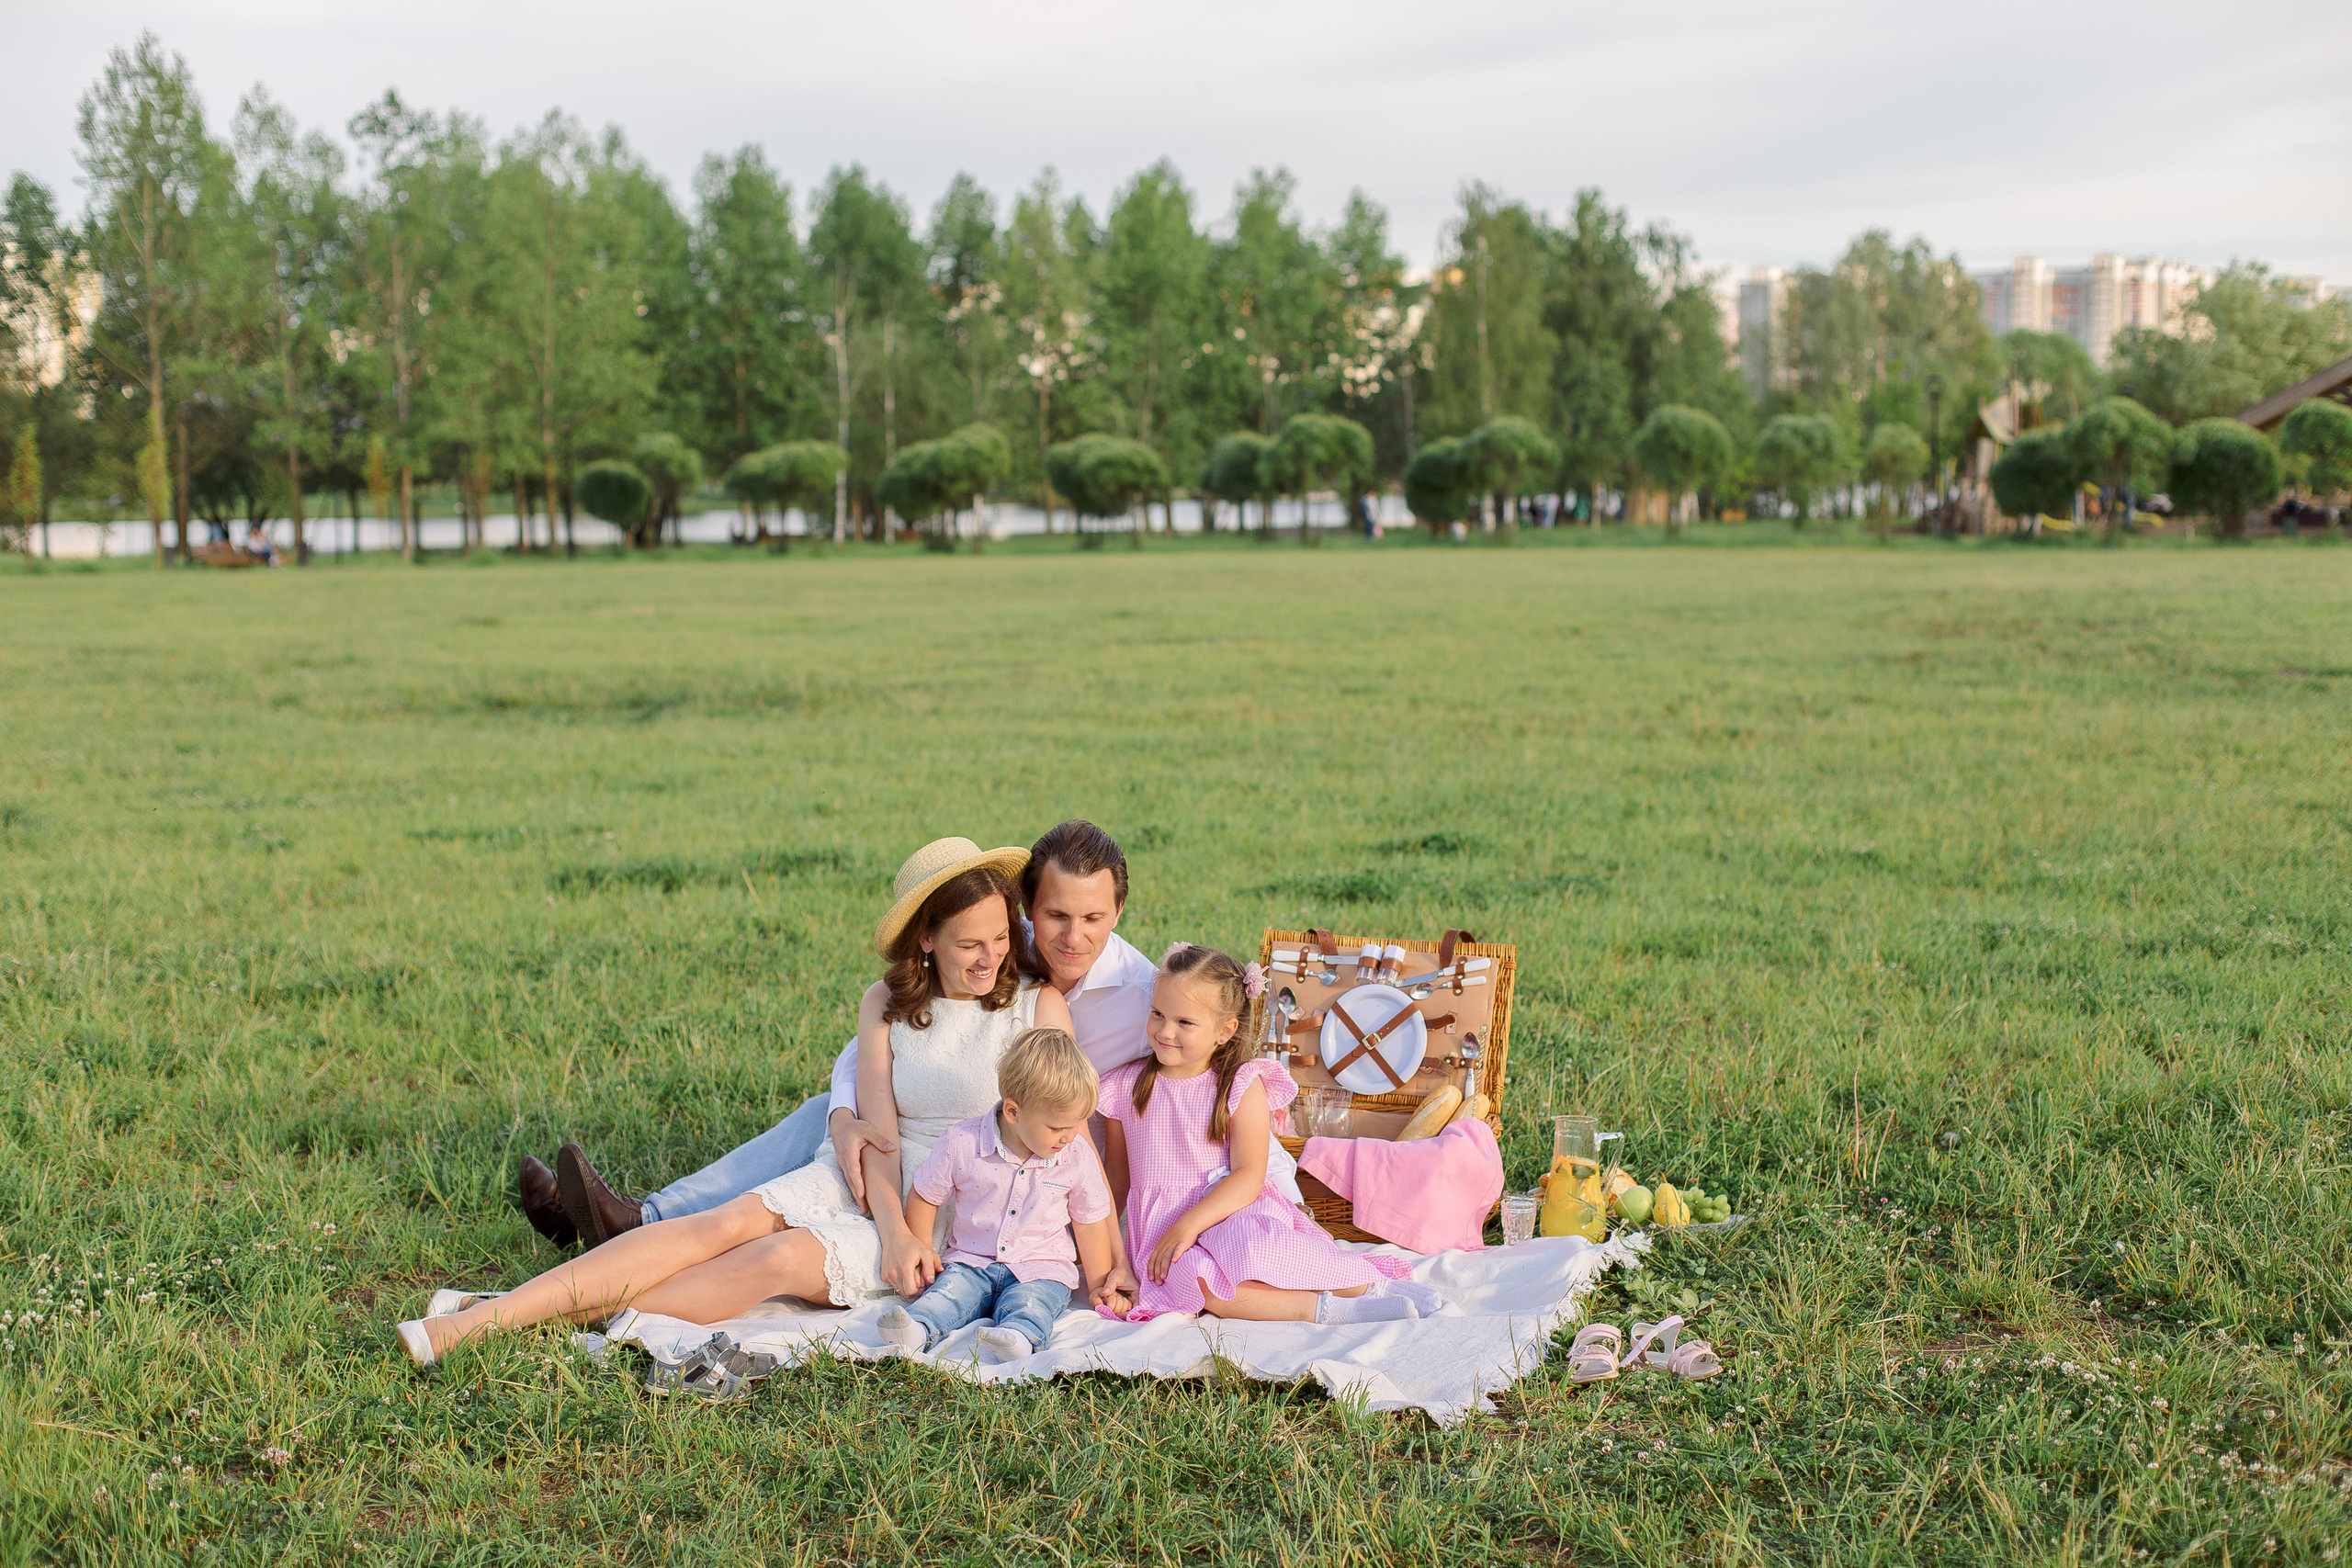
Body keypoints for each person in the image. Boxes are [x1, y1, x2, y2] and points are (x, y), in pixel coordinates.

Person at [395, 836, 1069, 1364]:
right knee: (723, 1224)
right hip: (875, 1183)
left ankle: (498, 1315)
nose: (989, 958)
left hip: (959, 1208)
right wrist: (888, 1222)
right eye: (969, 943)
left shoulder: (1039, 1006)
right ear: (926, 938)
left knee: (771, 1261)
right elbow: (881, 1135)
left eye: (1001, 938)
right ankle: (488, 1320)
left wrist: (908, 1239)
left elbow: (1057, 1130)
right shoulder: (885, 1004)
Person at [529, 820, 1303, 1248]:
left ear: (1119, 916)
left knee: (845, 1143)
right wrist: (846, 1111)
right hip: (951, 1127)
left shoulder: (1138, 999)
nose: (1072, 936)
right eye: (1056, 915)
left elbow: (1171, 1087)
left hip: (1025, 1171)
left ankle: (636, 1224)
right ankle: (637, 1219)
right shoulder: (1000, 946)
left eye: (1094, 919)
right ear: (1029, 906)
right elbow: (895, 1043)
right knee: (820, 1118)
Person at [1099, 943, 1437, 1325]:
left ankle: (1370, 1286)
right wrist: (1115, 1259)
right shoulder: (1125, 1087)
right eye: (1158, 1013)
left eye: (1184, 1022)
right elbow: (1114, 1181)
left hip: (1227, 1212)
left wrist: (1190, 1224)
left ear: (1225, 1031)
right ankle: (1332, 1311)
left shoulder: (1238, 1084)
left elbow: (1248, 1175)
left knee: (1258, 1252)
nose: (1164, 1031)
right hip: (1162, 1229)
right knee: (1199, 1285)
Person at [876, 1025, 1127, 1361]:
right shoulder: (962, 1144)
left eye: (1076, 1124)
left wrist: (1098, 1283)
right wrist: (921, 1249)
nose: (1069, 1136)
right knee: (949, 1294)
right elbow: (926, 1195)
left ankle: (1019, 1335)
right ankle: (918, 1327)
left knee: (1033, 1302)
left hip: (1041, 1265)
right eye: (1058, 1127)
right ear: (1013, 1112)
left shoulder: (1075, 1156)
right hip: (971, 1261)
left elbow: (1090, 1220)